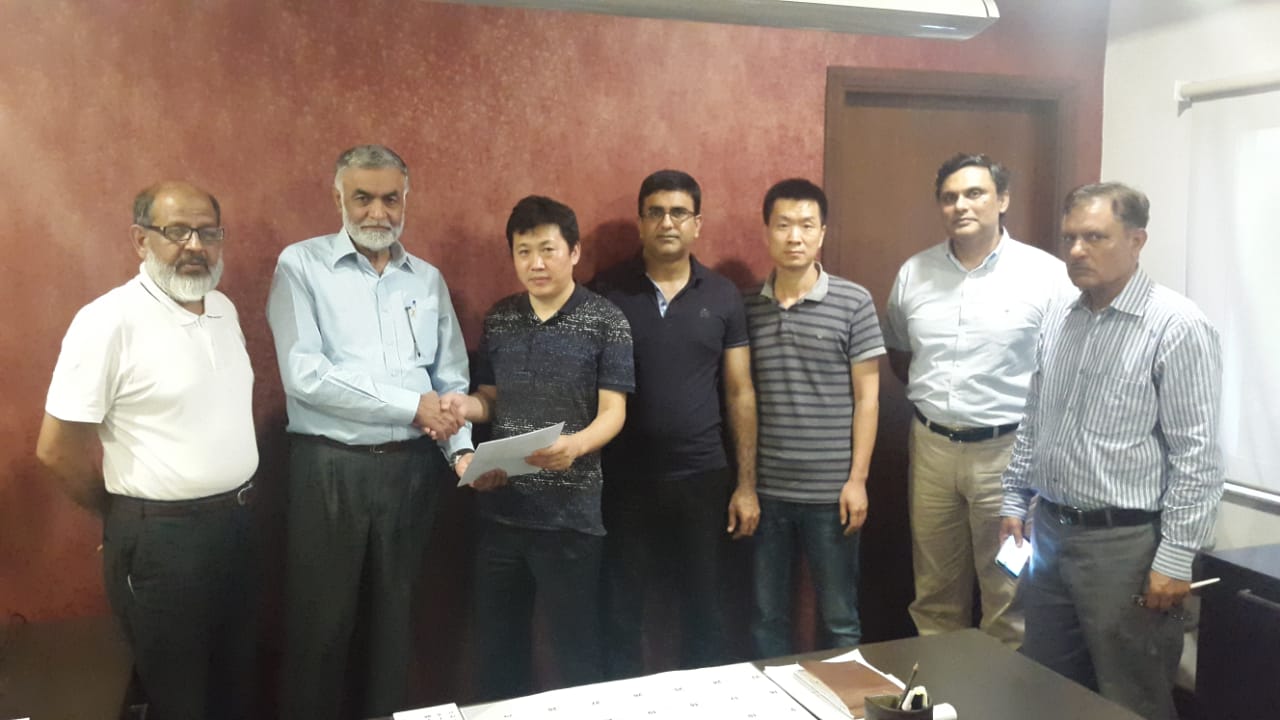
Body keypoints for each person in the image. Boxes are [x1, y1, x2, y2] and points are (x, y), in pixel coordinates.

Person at [1000, 183, 1223, 720]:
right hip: (1050, 535)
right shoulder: (1059, 315)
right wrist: (1014, 497)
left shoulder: (1177, 326)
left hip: (1126, 548)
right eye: (1069, 238)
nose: (1076, 250)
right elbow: (1035, 416)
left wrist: (1175, 557)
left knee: (1130, 697)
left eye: (1094, 237)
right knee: (1047, 689)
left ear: (1136, 240)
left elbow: (1197, 457)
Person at [36, 181, 258, 720]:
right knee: (180, 699)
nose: (194, 246)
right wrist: (119, 517)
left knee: (236, 686)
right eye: (176, 231)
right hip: (162, 543)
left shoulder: (222, 308)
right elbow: (55, 449)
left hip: (237, 527)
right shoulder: (107, 321)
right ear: (140, 240)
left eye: (207, 232)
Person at [266, 144, 472, 720]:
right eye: (362, 198)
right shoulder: (300, 265)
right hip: (331, 470)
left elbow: (450, 377)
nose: (377, 212)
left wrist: (461, 454)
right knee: (321, 627)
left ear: (406, 199)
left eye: (390, 199)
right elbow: (305, 376)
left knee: (396, 626)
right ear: (337, 198)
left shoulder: (426, 279)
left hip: (412, 474)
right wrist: (412, 407)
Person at [446, 195, 634, 701]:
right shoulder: (500, 319)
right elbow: (490, 400)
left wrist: (575, 446)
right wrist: (464, 407)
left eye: (547, 249)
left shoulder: (606, 320)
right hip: (502, 512)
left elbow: (614, 412)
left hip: (571, 518)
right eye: (523, 251)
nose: (536, 263)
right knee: (497, 652)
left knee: (576, 652)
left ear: (574, 252)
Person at [883, 153, 1071, 647]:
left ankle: (1001, 689)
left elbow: (1066, 368)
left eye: (974, 193)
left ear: (1002, 199)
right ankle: (940, 686)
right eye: (950, 197)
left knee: (1009, 595)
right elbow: (901, 355)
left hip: (1008, 456)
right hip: (932, 450)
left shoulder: (1046, 275)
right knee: (934, 593)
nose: (961, 206)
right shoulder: (914, 273)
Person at [593, 170, 758, 678]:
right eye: (656, 212)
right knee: (621, 611)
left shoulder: (724, 295)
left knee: (705, 611)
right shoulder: (607, 291)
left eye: (679, 212)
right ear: (641, 222)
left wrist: (746, 485)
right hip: (625, 481)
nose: (667, 222)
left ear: (697, 224)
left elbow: (740, 392)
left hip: (703, 478)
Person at [745, 178, 884, 657]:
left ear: (822, 233)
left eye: (807, 225)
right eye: (783, 225)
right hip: (767, 492)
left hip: (832, 493)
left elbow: (869, 399)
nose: (795, 236)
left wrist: (857, 481)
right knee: (766, 618)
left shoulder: (854, 302)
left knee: (839, 619)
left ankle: (841, 696)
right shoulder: (746, 307)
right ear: (767, 232)